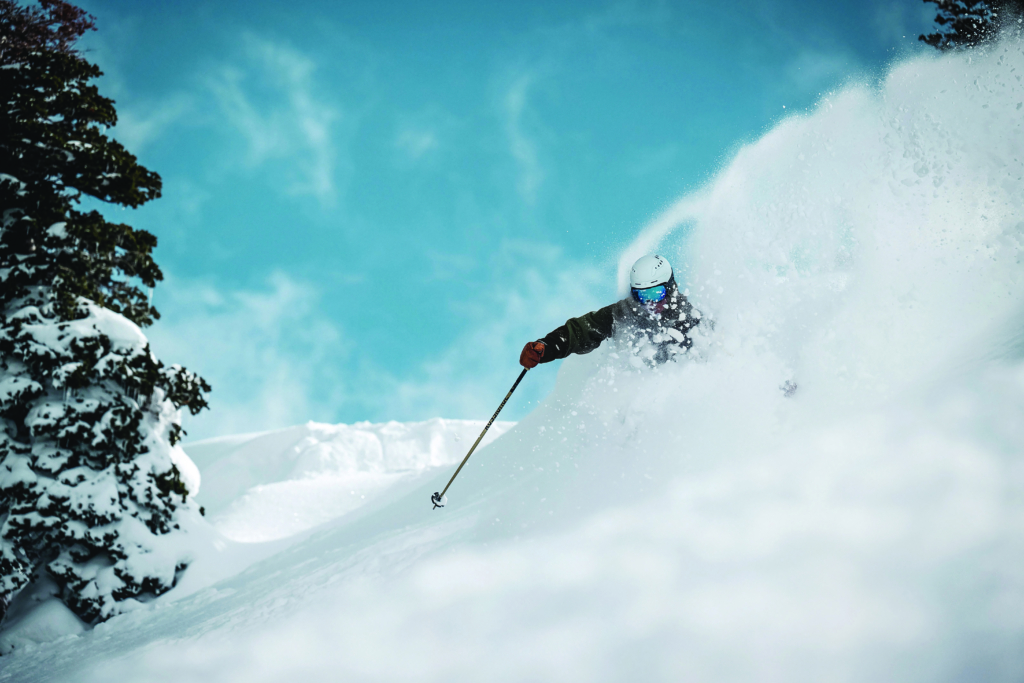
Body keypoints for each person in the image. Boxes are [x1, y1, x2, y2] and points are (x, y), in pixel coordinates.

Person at [520, 254, 701, 369]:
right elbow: (582, 330)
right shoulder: (627, 312)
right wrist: (547, 346)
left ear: (670, 287)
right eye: (641, 295)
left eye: (656, 293)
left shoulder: (692, 320)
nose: (649, 303)